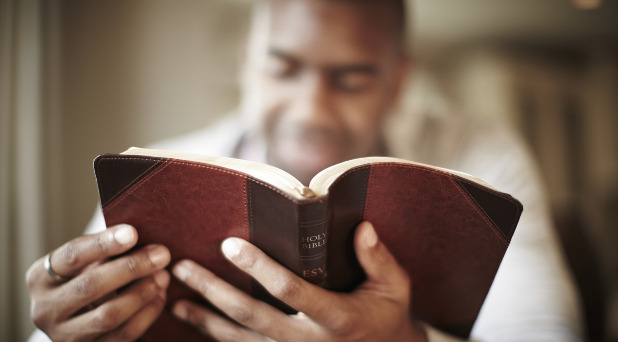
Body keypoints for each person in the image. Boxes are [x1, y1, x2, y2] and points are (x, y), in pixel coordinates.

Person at [26, 0, 583, 341]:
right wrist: (62, 327)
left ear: (397, 79)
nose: (311, 110)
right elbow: (73, 320)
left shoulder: (481, 153)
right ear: (247, 57)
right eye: (283, 67)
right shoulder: (154, 171)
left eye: (351, 78)